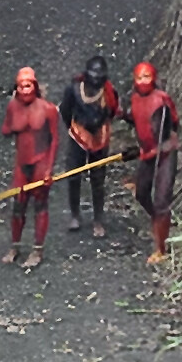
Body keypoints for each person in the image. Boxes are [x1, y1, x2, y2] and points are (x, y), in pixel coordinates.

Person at [1, 66, 60, 268]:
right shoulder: (13, 107)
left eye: (28, 86)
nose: (25, 90)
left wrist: (48, 169)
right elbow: (6, 129)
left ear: (34, 86)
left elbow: (54, 141)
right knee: (18, 205)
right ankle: (15, 246)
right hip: (21, 163)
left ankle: (37, 250)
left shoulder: (48, 109)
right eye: (21, 86)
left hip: (40, 162)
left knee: (40, 205)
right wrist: (11, 127)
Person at [122, 61, 179, 264]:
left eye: (147, 77)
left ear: (153, 78)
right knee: (141, 193)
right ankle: (158, 223)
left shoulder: (161, 101)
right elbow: (138, 123)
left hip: (164, 153)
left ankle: (161, 249)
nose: (143, 81)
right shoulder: (135, 98)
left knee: (162, 201)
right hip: (148, 152)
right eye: (139, 78)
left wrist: (155, 149)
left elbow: (169, 127)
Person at [59, 56, 120, 238]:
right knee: (73, 175)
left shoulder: (109, 92)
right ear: (86, 75)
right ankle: (75, 215)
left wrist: (99, 124)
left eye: (99, 76)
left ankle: (98, 220)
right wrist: (75, 127)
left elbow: (113, 111)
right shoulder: (74, 90)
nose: (95, 80)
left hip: (99, 137)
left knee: (98, 179)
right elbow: (65, 110)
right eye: (92, 76)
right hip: (79, 135)